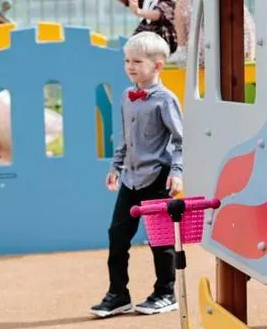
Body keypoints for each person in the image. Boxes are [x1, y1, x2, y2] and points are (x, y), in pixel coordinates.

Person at [90, 31, 184, 318]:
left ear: (157, 65)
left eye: (137, 61)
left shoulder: (165, 100)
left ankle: (165, 293)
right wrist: (115, 167)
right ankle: (118, 294)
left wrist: (177, 171)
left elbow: (181, 140)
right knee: (117, 236)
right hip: (130, 179)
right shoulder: (127, 96)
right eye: (127, 60)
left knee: (160, 240)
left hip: (156, 178)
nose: (130, 66)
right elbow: (125, 139)